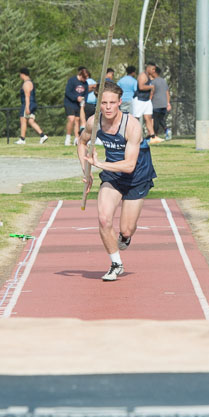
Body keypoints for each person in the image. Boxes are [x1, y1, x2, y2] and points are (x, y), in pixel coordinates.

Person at [78, 83, 156, 282]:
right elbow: (81, 142)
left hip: (137, 175)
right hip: (112, 174)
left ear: (120, 102)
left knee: (126, 229)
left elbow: (129, 165)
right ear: (98, 105)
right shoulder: (94, 122)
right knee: (104, 218)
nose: (108, 107)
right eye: (103, 103)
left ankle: (125, 237)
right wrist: (87, 171)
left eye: (112, 102)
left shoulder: (132, 125)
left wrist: (99, 163)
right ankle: (116, 263)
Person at [16, 68, 47, 145]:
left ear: (23, 74)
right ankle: (43, 135)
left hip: (27, 104)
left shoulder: (26, 84)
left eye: (20, 74)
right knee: (31, 121)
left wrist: (27, 107)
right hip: (32, 103)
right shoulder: (31, 83)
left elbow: (27, 96)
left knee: (23, 120)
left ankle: (22, 139)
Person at [63, 66, 88, 146]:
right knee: (71, 119)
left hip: (79, 104)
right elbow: (68, 92)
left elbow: (85, 94)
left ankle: (77, 139)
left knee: (77, 120)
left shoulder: (85, 84)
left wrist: (83, 101)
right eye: (84, 78)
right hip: (70, 103)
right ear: (80, 75)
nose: (85, 80)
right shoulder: (72, 80)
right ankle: (68, 138)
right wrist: (76, 98)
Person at [148, 64, 170, 142]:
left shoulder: (153, 82)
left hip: (156, 104)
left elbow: (151, 93)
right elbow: (167, 92)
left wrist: (148, 101)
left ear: (154, 72)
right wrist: (168, 103)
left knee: (156, 120)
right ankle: (167, 130)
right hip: (164, 104)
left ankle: (155, 136)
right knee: (161, 119)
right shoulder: (164, 81)